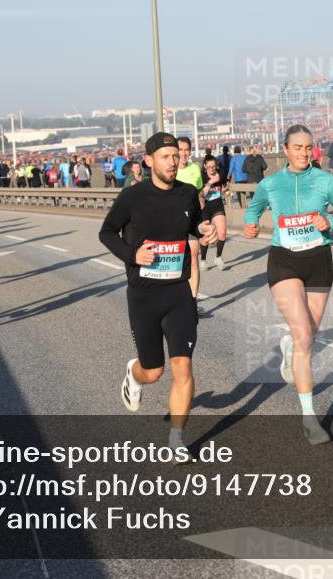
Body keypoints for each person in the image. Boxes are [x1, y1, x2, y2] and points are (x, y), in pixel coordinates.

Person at [98, 132, 217, 459]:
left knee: (184, 370)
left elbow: (194, 226)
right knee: (154, 371)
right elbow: (106, 233)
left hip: (178, 294)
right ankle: (133, 375)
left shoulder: (188, 193)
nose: (173, 163)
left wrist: (204, 232)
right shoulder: (132, 198)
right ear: (148, 160)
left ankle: (176, 440)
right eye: (165, 157)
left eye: (176, 156)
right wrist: (132, 255)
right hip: (144, 296)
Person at [243, 124, 333, 445]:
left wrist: (331, 221)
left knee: (307, 340)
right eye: (298, 148)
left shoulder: (324, 181)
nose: (304, 153)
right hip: (284, 259)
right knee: (304, 334)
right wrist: (251, 224)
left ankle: (290, 348)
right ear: (286, 149)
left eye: (309, 148)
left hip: (318, 261)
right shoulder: (270, 183)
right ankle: (309, 418)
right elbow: (253, 208)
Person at [175, 137, 205, 313]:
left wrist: (201, 210)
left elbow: (200, 194)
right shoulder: (170, 170)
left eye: (187, 149)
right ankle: (177, 300)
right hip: (173, 223)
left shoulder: (194, 169)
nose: (184, 153)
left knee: (194, 257)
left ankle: (192, 301)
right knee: (178, 262)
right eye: (180, 149)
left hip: (192, 221)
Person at [199, 155, 228, 270]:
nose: (211, 169)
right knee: (206, 237)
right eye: (209, 167)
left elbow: (226, 183)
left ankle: (218, 257)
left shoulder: (220, 174)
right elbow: (202, 195)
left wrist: (225, 189)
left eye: (213, 166)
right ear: (205, 166)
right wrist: (211, 182)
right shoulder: (201, 176)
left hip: (218, 206)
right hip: (205, 208)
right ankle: (203, 260)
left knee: (222, 233)